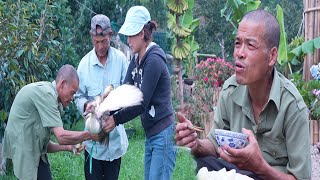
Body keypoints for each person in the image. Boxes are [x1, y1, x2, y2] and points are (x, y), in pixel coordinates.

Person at [175, 9, 311, 180]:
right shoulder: (230, 89)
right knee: (193, 163)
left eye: (251, 45)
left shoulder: (293, 107)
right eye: (237, 43)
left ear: (272, 56)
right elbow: (214, 144)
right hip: (236, 174)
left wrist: (260, 167)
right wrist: (196, 144)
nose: (239, 53)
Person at [100, 6, 177, 180]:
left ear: (142, 33)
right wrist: (106, 109)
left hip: (163, 135)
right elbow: (126, 90)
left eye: (131, 35)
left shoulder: (154, 60)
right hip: (152, 135)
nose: (128, 40)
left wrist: (116, 120)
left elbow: (141, 103)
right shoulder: (136, 58)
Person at [3, 64, 93, 180]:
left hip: (34, 150)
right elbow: (61, 136)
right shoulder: (47, 95)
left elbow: (44, 144)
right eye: (72, 92)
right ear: (62, 84)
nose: (72, 98)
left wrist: (68, 147)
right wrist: (90, 135)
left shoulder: (53, 99)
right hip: (24, 150)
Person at [74, 14, 129, 180]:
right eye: (96, 41)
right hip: (93, 143)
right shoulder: (84, 65)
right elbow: (78, 96)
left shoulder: (121, 60)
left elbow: (127, 92)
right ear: (91, 37)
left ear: (110, 36)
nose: (100, 46)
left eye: (103, 41)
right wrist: (86, 106)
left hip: (115, 142)